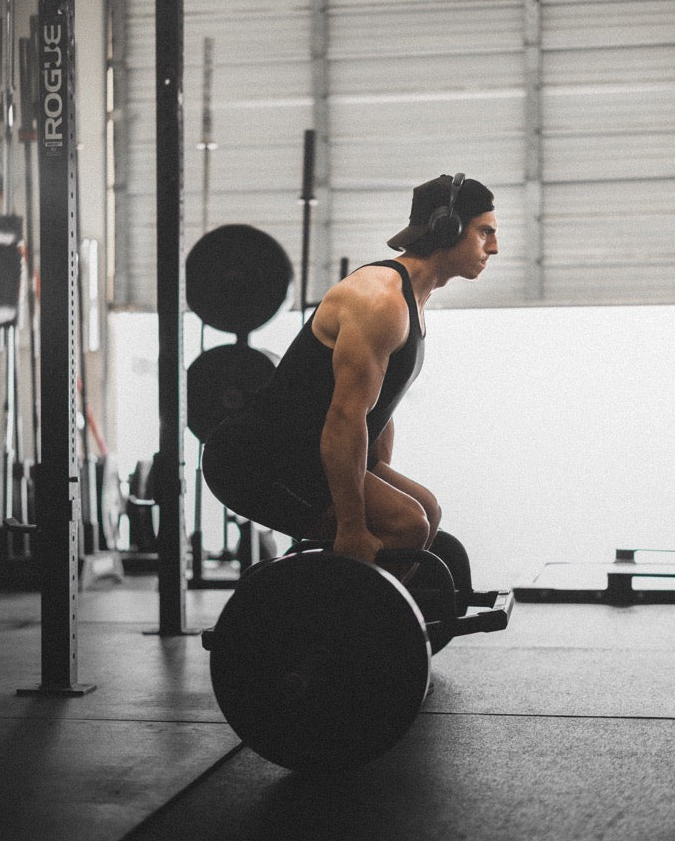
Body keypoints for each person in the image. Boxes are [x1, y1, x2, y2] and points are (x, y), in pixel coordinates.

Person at [201, 172, 498, 567]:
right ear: (448, 228)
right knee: (406, 524)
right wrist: (352, 528)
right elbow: (345, 417)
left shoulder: (412, 299)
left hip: (307, 454)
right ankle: (344, 607)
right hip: (256, 461)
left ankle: (370, 604)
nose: (494, 247)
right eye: (484, 232)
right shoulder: (380, 299)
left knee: (427, 509)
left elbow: (379, 408)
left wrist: (376, 479)